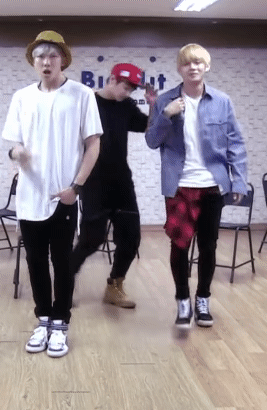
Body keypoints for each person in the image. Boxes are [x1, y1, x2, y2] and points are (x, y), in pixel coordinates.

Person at [3, 30, 102, 357]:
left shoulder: (81, 94)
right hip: (30, 195)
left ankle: (61, 323)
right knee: (34, 261)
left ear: (63, 60)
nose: (46, 62)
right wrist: (16, 153)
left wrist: (76, 187)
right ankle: (43, 319)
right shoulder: (22, 97)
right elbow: (14, 144)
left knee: (62, 261)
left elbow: (93, 144)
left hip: (64, 195)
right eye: (40, 57)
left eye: (52, 56)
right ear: (34, 62)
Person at [145, 43, 248, 328]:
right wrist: (166, 116)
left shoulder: (222, 101)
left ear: (206, 67)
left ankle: (203, 299)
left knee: (209, 246)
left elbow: (236, 144)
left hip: (212, 185)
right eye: (187, 63)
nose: (193, 67)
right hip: (179, 185)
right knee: (179, 245)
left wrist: (239, 180)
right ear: (179, 68)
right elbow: (152, 141)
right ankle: (182, 301)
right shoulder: (164, 100)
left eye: (198, 62)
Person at [71, 63, 157, 309]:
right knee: (92, 239)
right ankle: (65, 280)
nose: (127, 92)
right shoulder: (87, 102)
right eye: (125, 87)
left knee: (131, 238)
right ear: (112, 79)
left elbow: (147, 127)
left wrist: (153, 104)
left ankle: (114, 286)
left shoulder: (126, 105)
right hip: (94, 182)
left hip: (122, 182)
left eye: (131, 89)